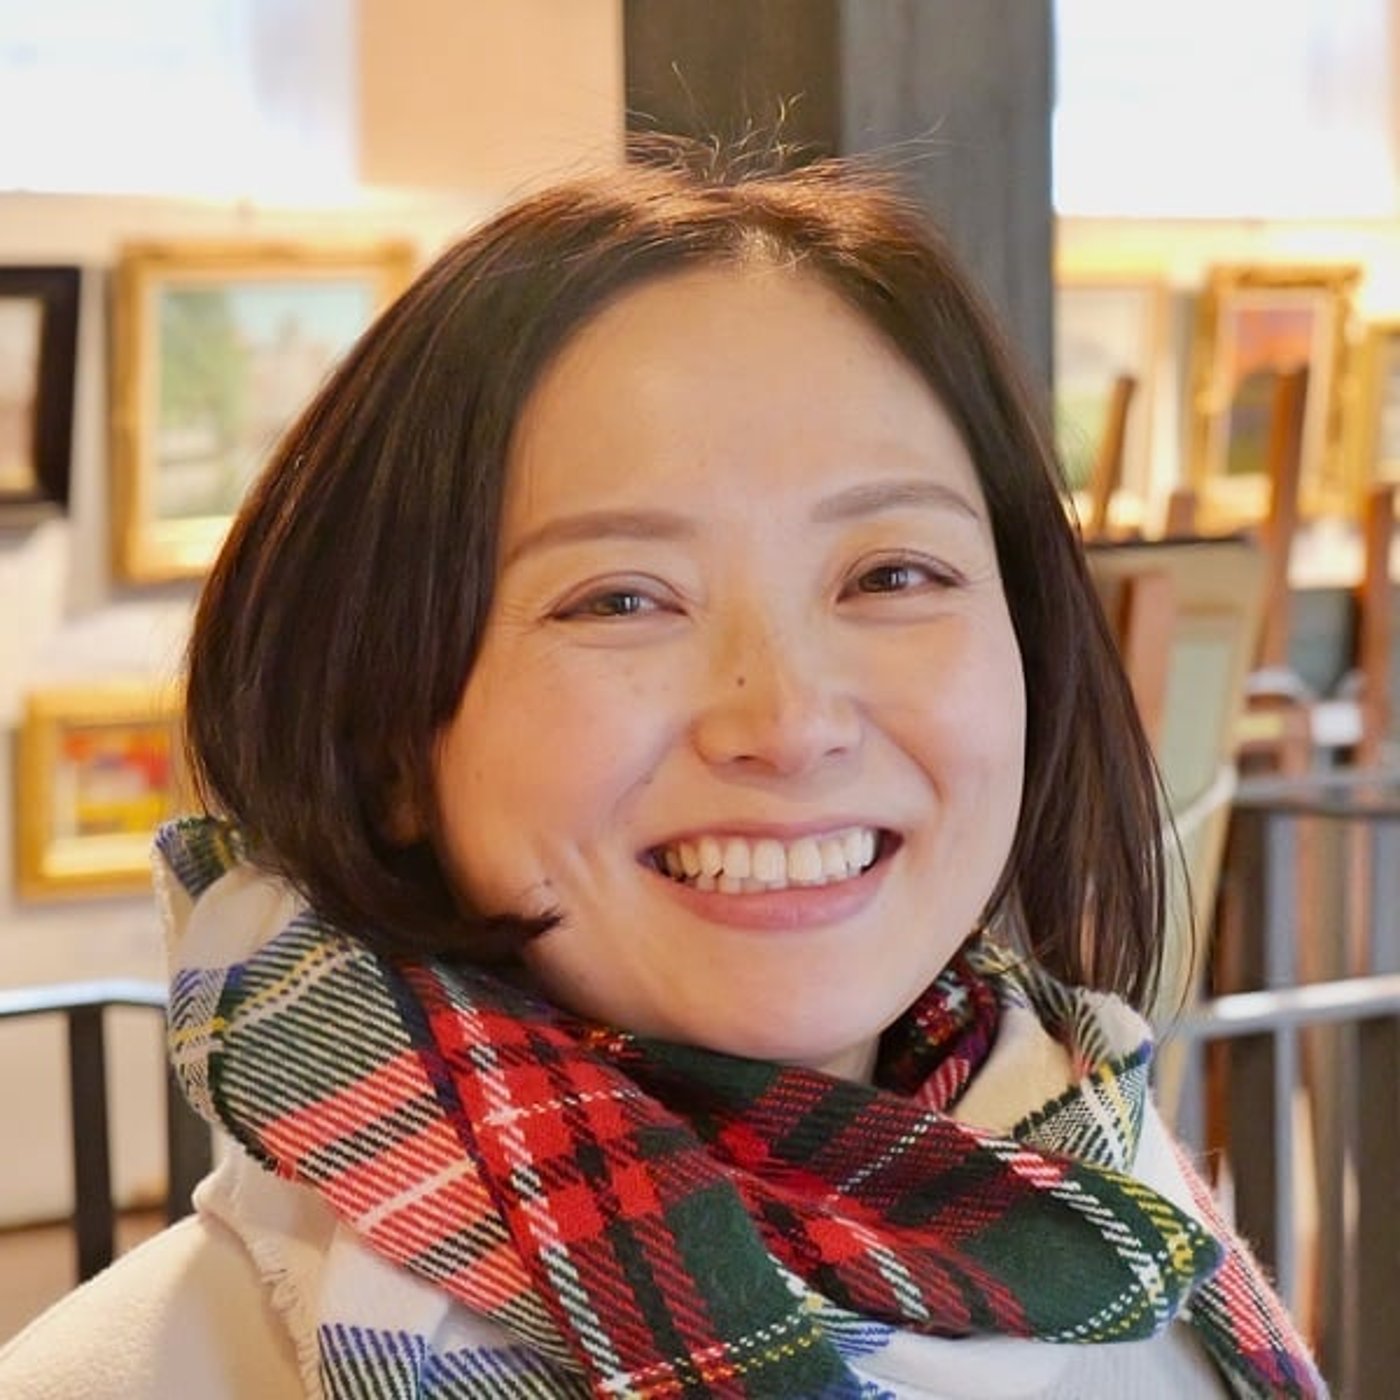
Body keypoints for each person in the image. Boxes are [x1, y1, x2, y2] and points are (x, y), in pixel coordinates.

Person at [0, 148, 1324, 1399]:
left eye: (892, 575)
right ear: (386, 741)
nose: (790, 721)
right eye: (621, 599)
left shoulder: (1142, 1256)